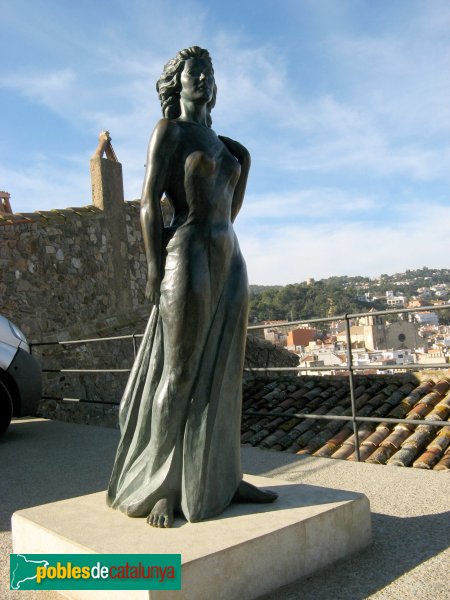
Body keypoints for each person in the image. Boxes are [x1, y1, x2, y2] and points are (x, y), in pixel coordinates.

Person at [107, 46, 277, 528]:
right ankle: (161, 484)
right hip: (188, 252)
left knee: (225, 372)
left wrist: (221, 244)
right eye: (192, 70)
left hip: (229, 257)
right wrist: (154, 269)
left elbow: (231, 210)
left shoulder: (236, 151)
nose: (201, 76)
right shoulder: (170, 132)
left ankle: (221, 478)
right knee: (178, 374)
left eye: (208, 70)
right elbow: (147, 205)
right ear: (176, 83)